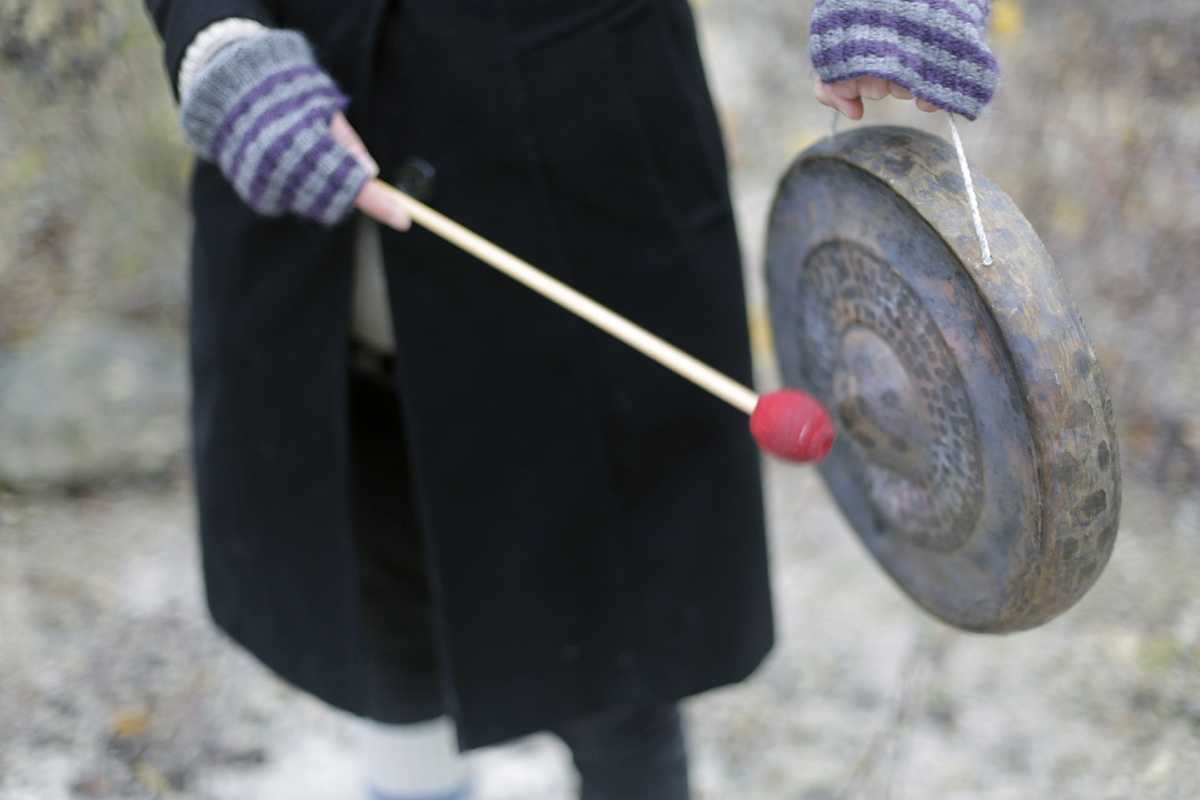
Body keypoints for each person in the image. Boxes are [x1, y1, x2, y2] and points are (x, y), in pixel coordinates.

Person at [142, 1, 998, 797]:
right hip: (311, 243)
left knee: (618, 676)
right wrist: (218, 36)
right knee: (387, 650)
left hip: (590, 218)